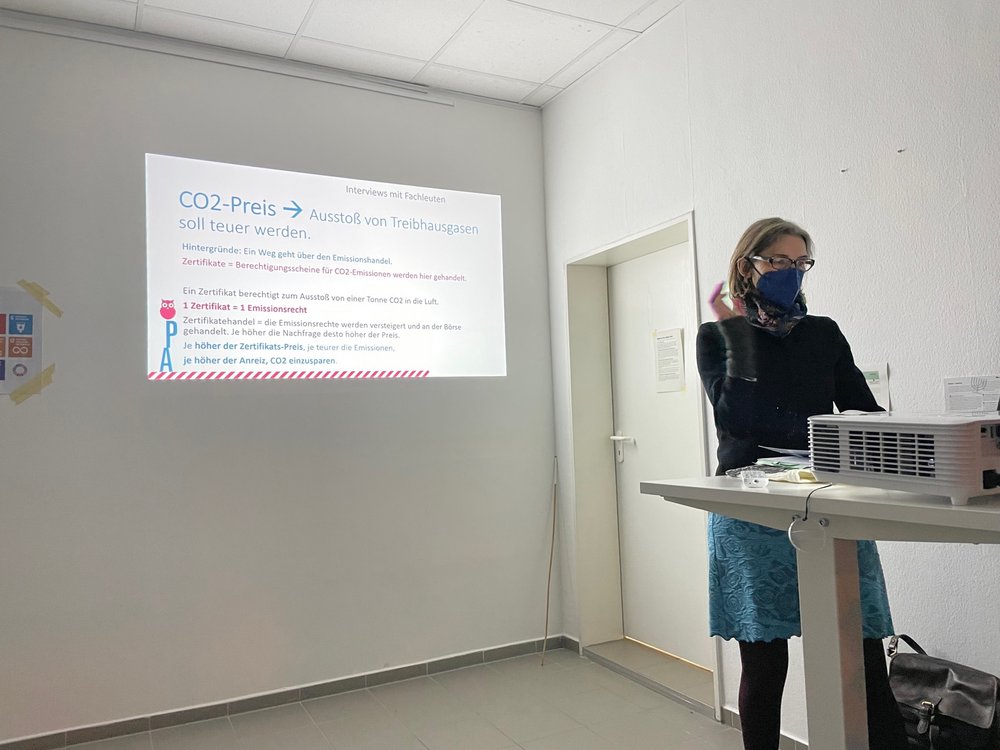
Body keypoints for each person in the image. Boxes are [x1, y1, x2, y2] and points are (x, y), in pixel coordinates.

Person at [695, 218, 906, 750]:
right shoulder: (717, 336)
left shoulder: (823, 332)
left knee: (863, 653)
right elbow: (735, 417)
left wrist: (908, 446)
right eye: (778, 261)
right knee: (765, 665)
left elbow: (861, 411)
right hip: (751, 509)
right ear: (747, 266)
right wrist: (741, 341)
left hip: (827, 498)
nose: (791, 272)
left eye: (800, 263)